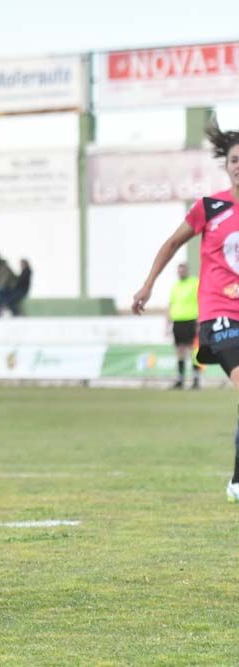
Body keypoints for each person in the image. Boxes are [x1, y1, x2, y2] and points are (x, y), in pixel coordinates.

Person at [132, 119, 239, 502]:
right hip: (220, 315)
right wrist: (148, 285)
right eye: (234, 159)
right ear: (226, 165)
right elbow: (172, 243)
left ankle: (237, 481)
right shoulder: (209, 208)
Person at [166, 262, 201, 390]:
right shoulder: (175, 286)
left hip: (191, 321)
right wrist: (167, 324)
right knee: (179, 351)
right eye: (179, 271)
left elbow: (202, 300)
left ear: (187, 271)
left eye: (183, 270)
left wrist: (200, 320)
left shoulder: (194, 283)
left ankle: (196, 380)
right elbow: (171, 304)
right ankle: (180, 380)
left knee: (193, 351)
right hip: (177, 322)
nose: (181, 273)